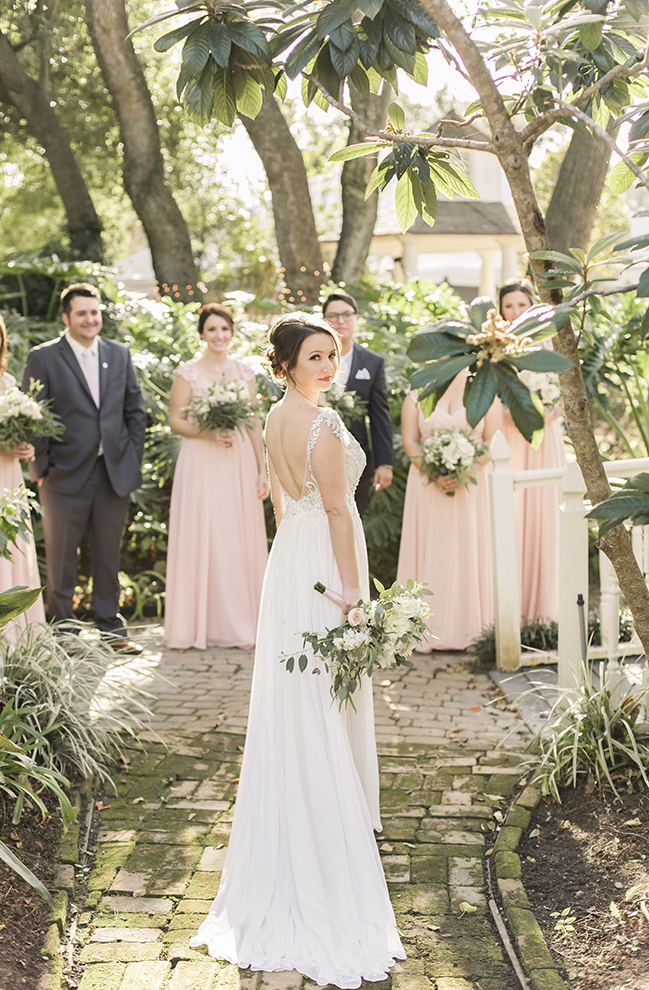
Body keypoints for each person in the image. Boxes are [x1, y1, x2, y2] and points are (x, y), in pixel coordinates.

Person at [191, 313, 405, 987]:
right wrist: (350, 589)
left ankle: (300, 819)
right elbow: (340, 512)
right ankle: (323, 834)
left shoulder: (273, 420)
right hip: (322, 566)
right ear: (286, 363)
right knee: (320, 694)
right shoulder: (318, 425)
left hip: (291, 560)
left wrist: (298, 562)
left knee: (300, 692)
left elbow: (283, 504)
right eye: (315, 356)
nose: (327, 365)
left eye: (332, 354)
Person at [23, 283, 146, 651]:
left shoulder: (119, 353)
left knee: (109, 554)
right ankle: (65, 634)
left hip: (113, 471)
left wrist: (129, 456)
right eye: (82, 313)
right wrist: (41, 468)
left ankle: (112, 630)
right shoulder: (43, 357)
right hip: (62, 474)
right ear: (66, 317)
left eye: (95, 312)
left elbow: (134, 411)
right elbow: (35, 416)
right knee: (62, 556)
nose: (90, 319)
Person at [164, 303, 268, 650]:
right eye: (212, 330)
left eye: (224, 329)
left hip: (236, 460)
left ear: (232, 332)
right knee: (201, 534)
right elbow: (175, 420)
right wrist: (207, 432)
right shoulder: (188, 373)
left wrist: (261, 469)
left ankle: (241, 625)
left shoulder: (244, 372)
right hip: (201, 459)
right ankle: (189, 627)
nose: (219, 336)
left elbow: (253, 422)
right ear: (202, 334)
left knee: (234, 536)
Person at [396, 371, 503, 651]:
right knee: (433, 550)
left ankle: (471, 629)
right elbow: (410, 442)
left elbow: (494, 440)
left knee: (469, 549)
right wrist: (435, 471)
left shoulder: (484, 387)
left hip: (471, 486)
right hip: (427, 485)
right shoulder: (418, 389)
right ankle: (425, 629)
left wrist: (465, 469)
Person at [498, 279, 567, 622]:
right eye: (508, 306)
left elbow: (570, 392)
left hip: (545, 438)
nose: (514, 312)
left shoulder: (552, 345)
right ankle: (513, 609)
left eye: (520, 305)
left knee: (545, 514)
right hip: (510, 439)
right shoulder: (496, 352)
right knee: (512, 516)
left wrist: (545, 416)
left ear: (533, 307)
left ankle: (546, 610)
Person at [0, 308, 45, 627]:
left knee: (10, 543)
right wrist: (1, 447)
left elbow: (16, 431)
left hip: (9, 477)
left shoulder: (8, 381)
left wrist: (25, 447)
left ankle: (16, 632)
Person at [322, 291, 394, 514]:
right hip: (317, 451)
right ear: (323, 320)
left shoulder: (373, 362)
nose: (340, 321)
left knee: (352, 516)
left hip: (357, 456)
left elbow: (379, 414)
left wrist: (385, 463)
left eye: (346, 315)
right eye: (333, 316)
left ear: (356, 318)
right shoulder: (312, 357)